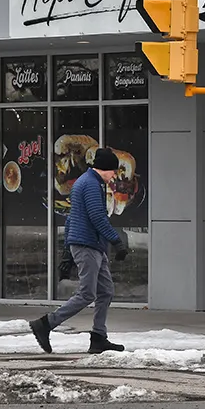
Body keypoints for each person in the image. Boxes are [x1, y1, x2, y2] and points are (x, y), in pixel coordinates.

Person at [29, 147, 129, 354]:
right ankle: (46, 324)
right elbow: (97, 217)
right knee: (87, 293)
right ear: (105, 168)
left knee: (105, 291)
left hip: (92, 245)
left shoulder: (87, 182)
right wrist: (116, 241)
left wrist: (67, 254)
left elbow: (72, 219)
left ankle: (98, 337)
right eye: (113, 171)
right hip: (87, 245)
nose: (114, 175)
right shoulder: (90, 184)